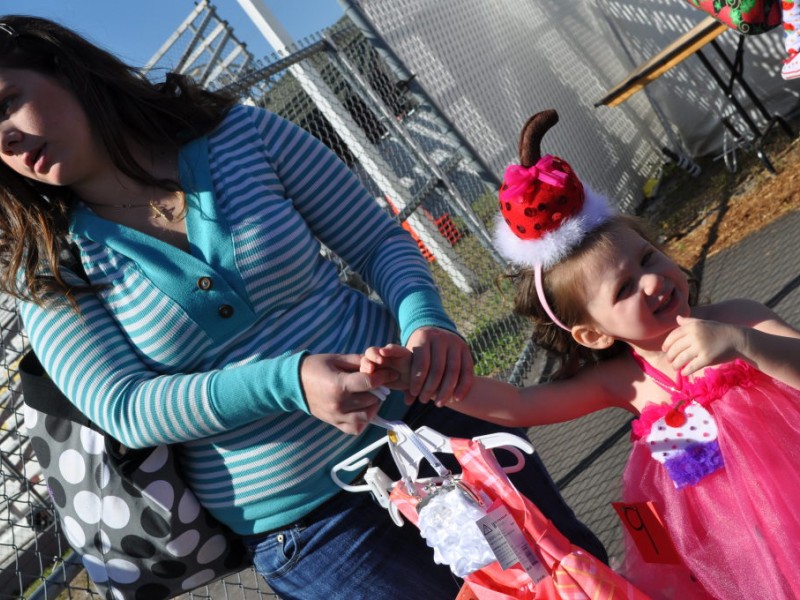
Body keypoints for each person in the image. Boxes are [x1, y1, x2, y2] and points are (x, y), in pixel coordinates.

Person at [0, 16, 606, 599]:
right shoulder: (44, 264)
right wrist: (288, 382)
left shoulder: (240, 134)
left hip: (438, 433)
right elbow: (125, 407)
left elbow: (375, 242)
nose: (6, 137)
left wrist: (425, 319)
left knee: (582, 587)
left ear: (66, 69)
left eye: (6, 101)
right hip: (315, 534)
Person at [362, 109, 800, 599]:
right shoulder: (626, 381)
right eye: (626, 288)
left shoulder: (739, 318)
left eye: (648, 258)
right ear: (592, 335)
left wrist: (744, 345)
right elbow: (519, 406)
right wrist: (425, 375)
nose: (653, 281)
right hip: (726, 546)